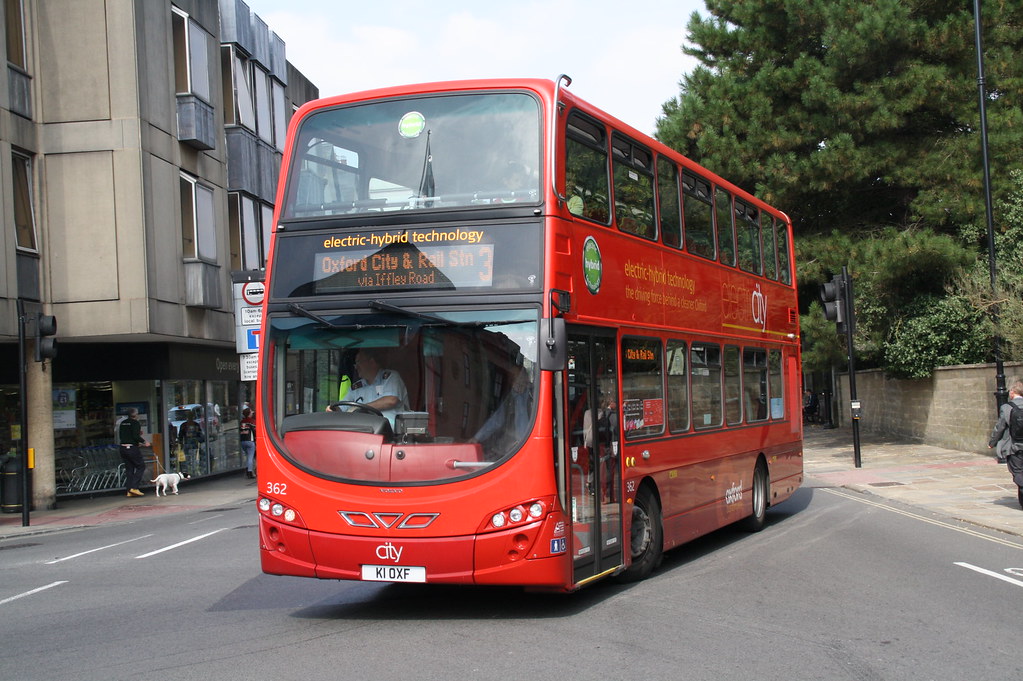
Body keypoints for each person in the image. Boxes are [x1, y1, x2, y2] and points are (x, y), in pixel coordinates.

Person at [471, 366, 533, 457]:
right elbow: (495, 421)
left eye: (521, 377)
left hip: (533, 444)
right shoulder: (509, 400)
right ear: (511, 382)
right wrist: (477, 438)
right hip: (517, 449)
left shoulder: (534, 393)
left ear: (527, 378)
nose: (519, 382)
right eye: (515, 378)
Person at [345, 349, 409, 427]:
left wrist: (360, 408)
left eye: (358, 362)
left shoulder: (391, 377)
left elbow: (391, 400)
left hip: (391, 435)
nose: (356, 367)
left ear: (371, 362)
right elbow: (343, 406)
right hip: (363, 431)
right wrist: (333, 409)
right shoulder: (356, 388)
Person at [988, 380, 1023, 508]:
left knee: (1018, 472)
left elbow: (1000, 427)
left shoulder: (1007, 407)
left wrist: (992, 442)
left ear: (1012, 392)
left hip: (1014, 447)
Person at [118, 408, 150, 497]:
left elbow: (122, 435)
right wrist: (144, 442)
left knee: (129, 469)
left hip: (123, 448)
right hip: (131, 448)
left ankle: (129, 490)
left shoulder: (123, 423)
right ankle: (134, 487)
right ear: (135, 415)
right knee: (141, 466)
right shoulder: (135, 423)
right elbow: (136, 436)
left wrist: (134, 442)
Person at [239, 407, 256, 479]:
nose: (252, 413)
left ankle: (248, 468)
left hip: (243, 441)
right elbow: (255, 431)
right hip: (250, 441)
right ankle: (250, 472)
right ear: (249, 414)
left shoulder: (242, 422)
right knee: (250, 457)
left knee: (248, 456)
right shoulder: (251, 421)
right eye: (251, 412)